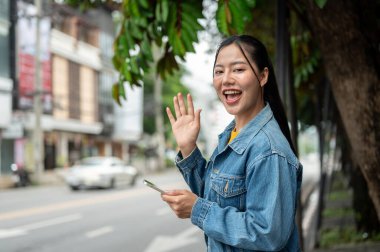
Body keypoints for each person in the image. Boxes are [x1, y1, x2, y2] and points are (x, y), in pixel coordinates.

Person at [162, 35, 303, 251]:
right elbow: (216, 196)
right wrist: (188, 147)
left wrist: (197, 209)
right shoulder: (232, 135)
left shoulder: (268, 150)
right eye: (219, 71)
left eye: (238, 69)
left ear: (263, 76)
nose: (226, 79)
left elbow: (267, 233)